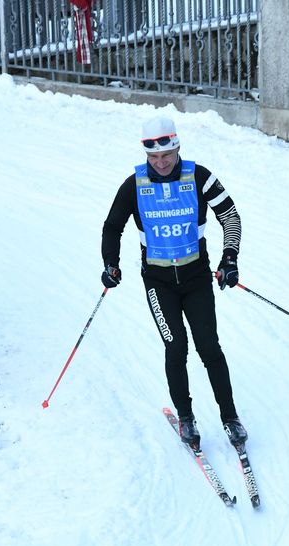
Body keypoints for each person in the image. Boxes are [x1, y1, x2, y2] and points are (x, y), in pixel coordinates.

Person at [100, 116, 246, 450]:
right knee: (176, 346)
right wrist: (111, 263)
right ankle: (186, 417)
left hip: (196, 278)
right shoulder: (134, 185)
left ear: (177, 147)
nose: (161, 163)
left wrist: (230, 258)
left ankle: (230, 417)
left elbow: (230, 216)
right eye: (154, 157)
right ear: (146, 154)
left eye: (167, 155)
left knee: (209, 346)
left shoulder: (199, 176)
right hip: (158, 282)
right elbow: (112, 226)